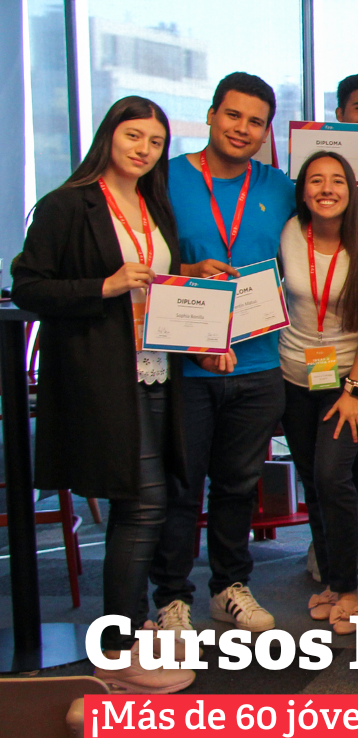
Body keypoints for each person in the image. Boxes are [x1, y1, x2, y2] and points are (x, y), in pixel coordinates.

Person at [12, 96, 195, 693]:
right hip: (102, 374)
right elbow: (29, 286)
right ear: (108, 135)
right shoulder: (68, 204)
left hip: (156, 367)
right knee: (143, 503)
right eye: (133, 135)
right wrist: (105, 285)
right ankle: (116, 648)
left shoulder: (153, 204)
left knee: (142, 501)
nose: (144, 149)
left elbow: (156, 282)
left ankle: (129, 627)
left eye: (155, 142)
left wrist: (190, 280)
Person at [150, 73, 296, 635]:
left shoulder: (279, 187)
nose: (242, 129)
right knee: (182, 486)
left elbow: (328, 225)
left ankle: (230, 587)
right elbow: (139, 253)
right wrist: (186, 270)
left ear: (266, 132)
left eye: (255, 122)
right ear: (211, 115)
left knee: (238, 484)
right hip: (187, 361)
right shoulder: (165, 179)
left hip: (259, 361)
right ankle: (172, 597)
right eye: (233, 115)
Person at [279, 151, 358, 635]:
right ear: (303, 191)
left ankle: (347, 591)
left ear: (352, 191)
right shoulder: (288, 233)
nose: (326, 189)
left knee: (332, 477)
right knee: (312, 478)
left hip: (350, 379)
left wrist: (354, 390)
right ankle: (329, 581)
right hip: (294, 376)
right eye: (316, 180)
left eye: (337, 181)